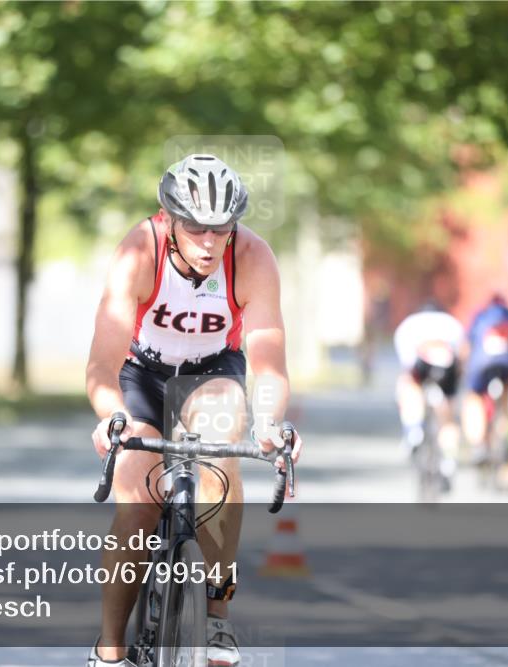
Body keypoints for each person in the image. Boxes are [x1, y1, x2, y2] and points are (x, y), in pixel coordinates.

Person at [86, 154, 302, 667]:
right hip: (142, 373)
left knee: (222, 456)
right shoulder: (141, 250)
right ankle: (111, 645)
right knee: (137, 502)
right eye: (196, 227)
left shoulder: (252, 257)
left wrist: (270, 422)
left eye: (221, 228)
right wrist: (110, 415)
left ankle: (218, 619)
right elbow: (103, 358)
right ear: (169, 219)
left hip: (212, 371)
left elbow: (268, 359)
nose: (208, 242)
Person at [392, 300, 465, 490]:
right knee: (448, 419)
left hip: (421, 362)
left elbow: (406, 364)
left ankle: (413, 429)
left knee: (409, 387)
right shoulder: (452, 324)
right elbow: (462, 356)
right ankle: (449, 460)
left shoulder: (410, 324)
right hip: (447, 366)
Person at [461, 293, 508, 464]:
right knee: (505, 398)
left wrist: (465, 367)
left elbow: (469, 345)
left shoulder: (480, 316)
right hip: (506, 365)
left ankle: (478, 444)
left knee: (474, 397)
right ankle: (503, 438)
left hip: (482, 364)